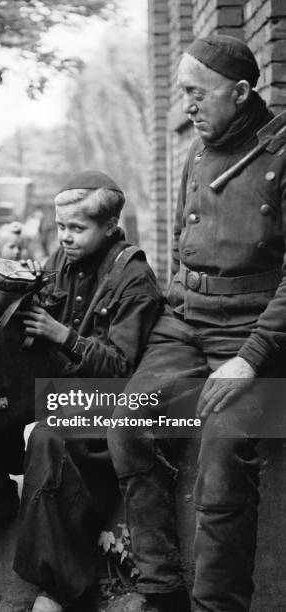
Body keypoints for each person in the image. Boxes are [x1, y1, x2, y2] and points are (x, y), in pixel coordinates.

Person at [107, 35, 286, 612]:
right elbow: (187, 251)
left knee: (222, 456)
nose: (187, 106)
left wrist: (252, 357)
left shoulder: (281, 155)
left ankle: (217, 604)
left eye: (196, 93)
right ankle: (161, 588)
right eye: (182, 92)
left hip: (252, 333)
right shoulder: (198, 149)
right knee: (127, 420)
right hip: (186, 322)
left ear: (239, 92)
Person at [9, 170, 164, 612]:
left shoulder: (133, 276)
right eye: (60, 227)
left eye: (77, 228)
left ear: (110, 225)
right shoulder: (61, 260)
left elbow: (120, 368)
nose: (65, 238)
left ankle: (57, 590)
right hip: (63, 391)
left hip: (110, 403)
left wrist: (63, 336)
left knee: (48, 437)